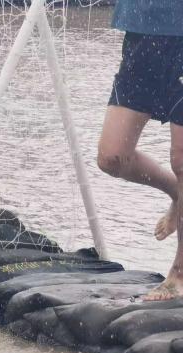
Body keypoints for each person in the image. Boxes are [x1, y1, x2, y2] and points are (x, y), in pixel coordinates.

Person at [96, 1, 183, 300]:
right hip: (142, 31)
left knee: (181, 159)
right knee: (111, 156)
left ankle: (179, 274)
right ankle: (176, 192)